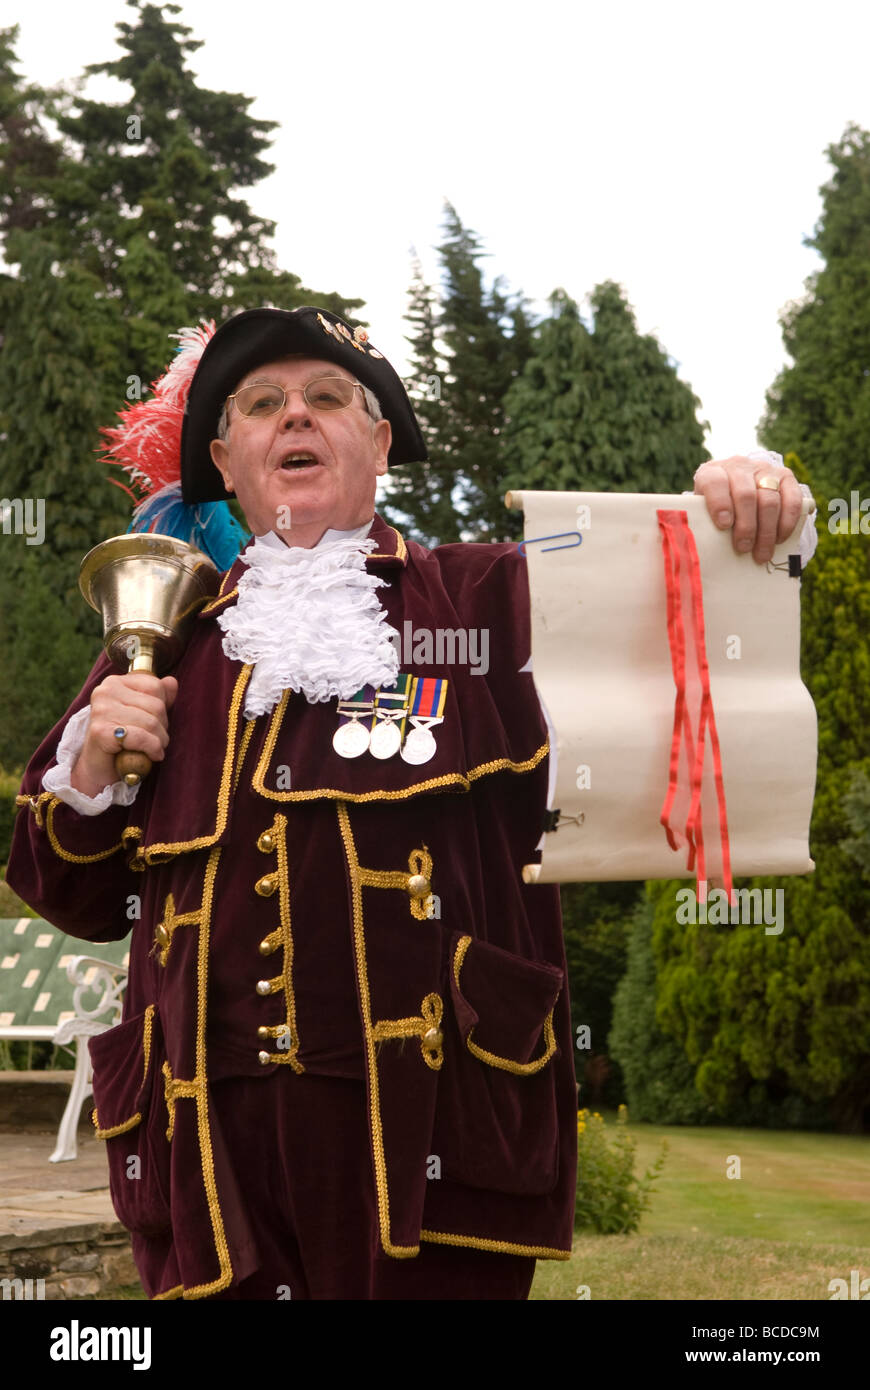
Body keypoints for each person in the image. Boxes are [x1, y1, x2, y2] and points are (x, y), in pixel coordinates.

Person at [6, 307, 814, 1301]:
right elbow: (65, 890)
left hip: (431, 1127)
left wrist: (740, 504)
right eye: (262, 405)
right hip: (206, 1153)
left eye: (329, 398)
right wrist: (91, 767)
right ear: (225, 458)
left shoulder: (488, 601)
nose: (295, 416)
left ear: (378, 439)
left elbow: (687, 618)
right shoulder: (163, 647)